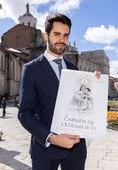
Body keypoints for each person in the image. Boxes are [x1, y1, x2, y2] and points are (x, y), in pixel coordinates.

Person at [18, 13, 100, 170]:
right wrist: (52, 138)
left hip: (76, 149)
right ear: (46, 35)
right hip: (45, 150)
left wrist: (96, 85)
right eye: (57, 34)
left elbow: (83, 103)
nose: (62, 40)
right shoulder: (31, 69)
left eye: (66, 35)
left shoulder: (74, 69)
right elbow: (24, 113)